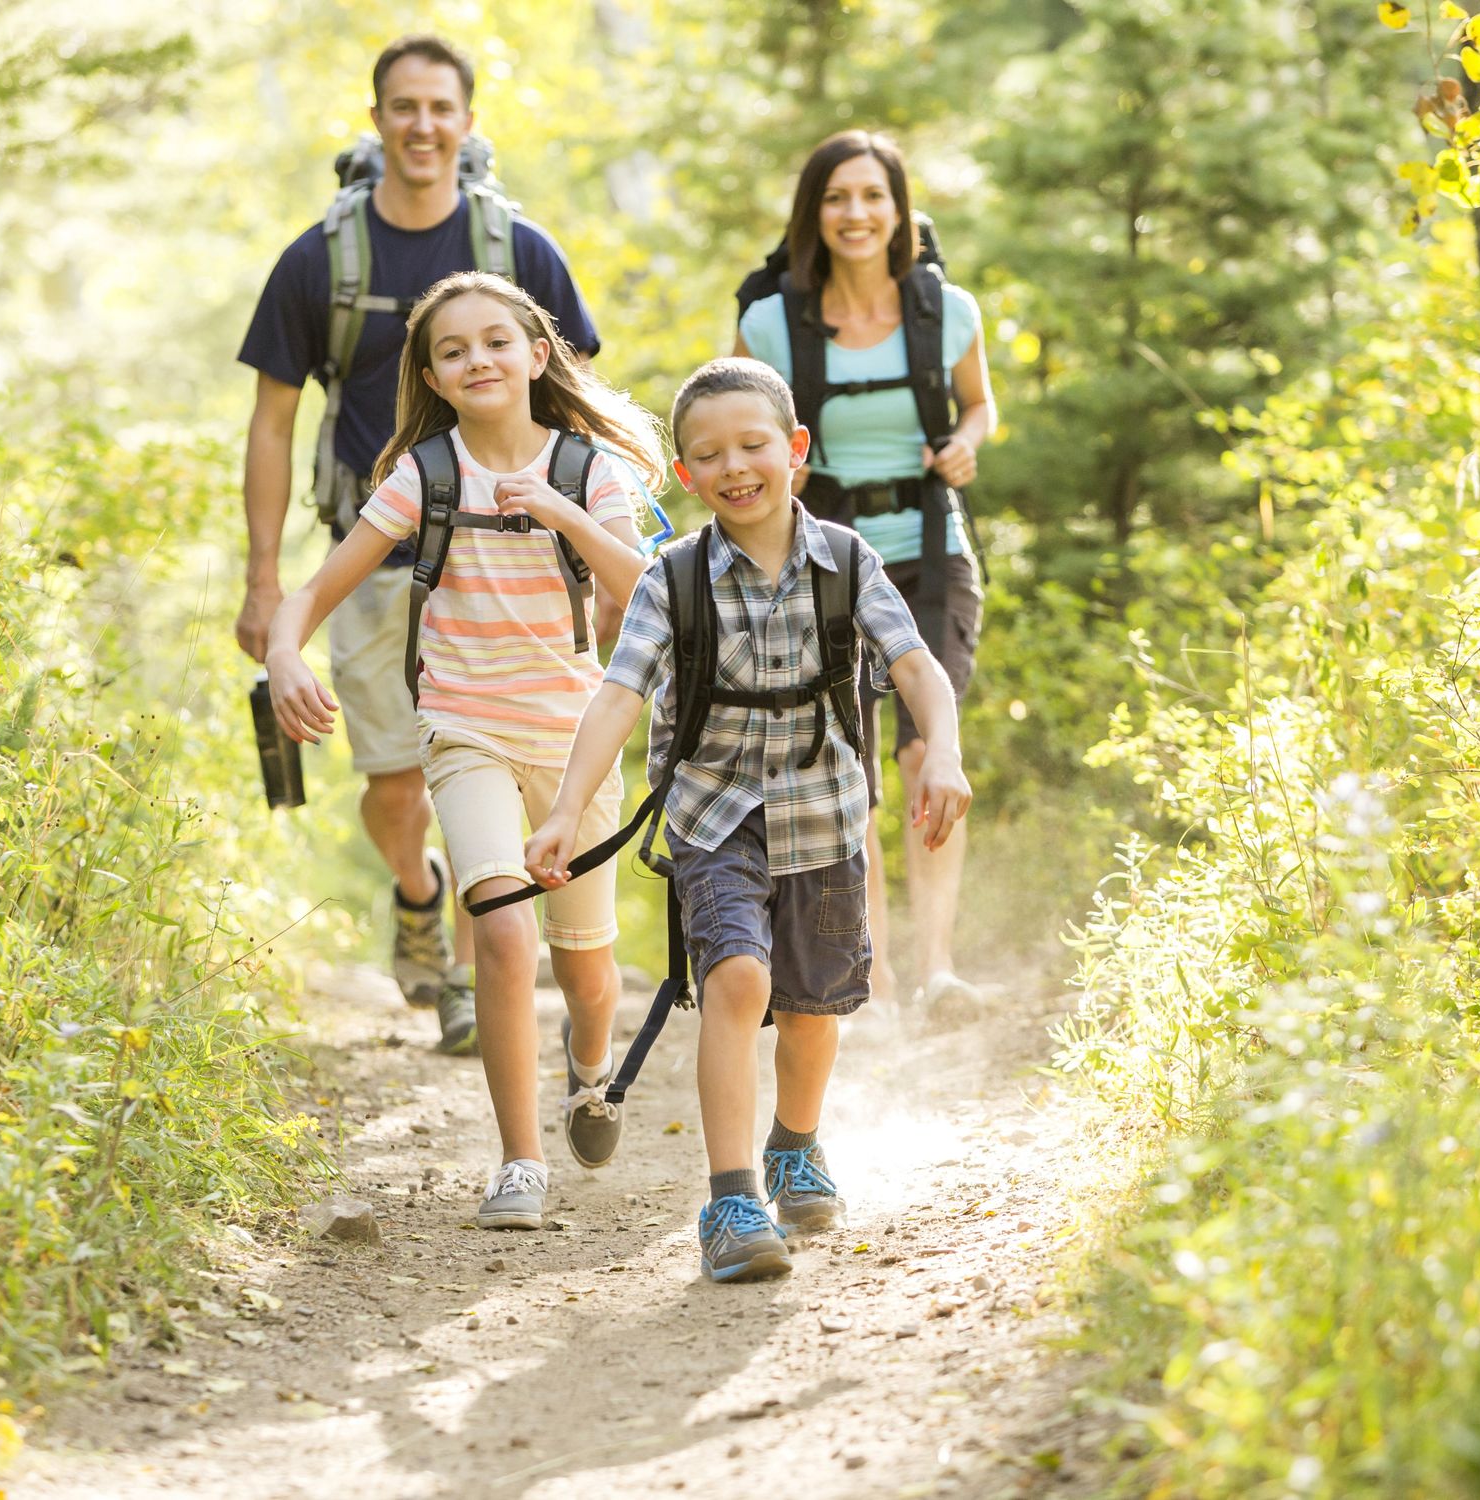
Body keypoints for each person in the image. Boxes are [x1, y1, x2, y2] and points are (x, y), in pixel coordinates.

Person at [523, 358, 971, 1282]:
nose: (736, 466)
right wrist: (568, 809)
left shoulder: (848, 561)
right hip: (713, 816)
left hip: (825, 814)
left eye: (754, 444)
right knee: (734, 982)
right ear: (685, 475)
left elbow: (918, 666)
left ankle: (794, 1143)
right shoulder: (670, 580)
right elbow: (615, 696)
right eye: (709, 454)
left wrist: (949, 754)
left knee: (812, 1010)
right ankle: (731, 1199)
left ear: (796, 449)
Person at [266, 272, 663, 1229]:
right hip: (462, 725)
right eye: (453, 350)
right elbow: (311, 594)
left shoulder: (589, 471)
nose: (476, 359)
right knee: (498, 927)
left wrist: (562, 514)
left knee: (587, 970)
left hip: (575, 736)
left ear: (537, 356)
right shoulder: (425, 475)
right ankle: (519, 1163)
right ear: (434, 377)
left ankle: (589, 1065)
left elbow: (646, 590)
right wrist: (285, 651)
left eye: (496, 342)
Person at [234, 34, 603, 1053]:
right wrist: (265, 586)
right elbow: (269, 424)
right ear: (376, 120)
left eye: (441, 107)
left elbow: (572, 405)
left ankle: (475, 964)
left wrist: (600, 546)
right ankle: (418, 896)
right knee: (393, 781)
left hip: (511, 564)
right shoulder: (320, 260)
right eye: (403, 107)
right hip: (378, 549)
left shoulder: (519, 252)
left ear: (468, 122)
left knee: (503, 766)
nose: (423, 125)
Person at [733, 130, 995, 1013]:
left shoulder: (946, 310)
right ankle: (871, 972)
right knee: (850, 764)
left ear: (899, 210)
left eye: (873, 197)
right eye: (837, 198)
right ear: (814, 214)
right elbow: (750, 432)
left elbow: (980, 404)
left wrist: (965, 443)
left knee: (929, 744)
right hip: (825, 555)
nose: (856, 214)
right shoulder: (771, 323)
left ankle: (937, 968)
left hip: (930, 544)